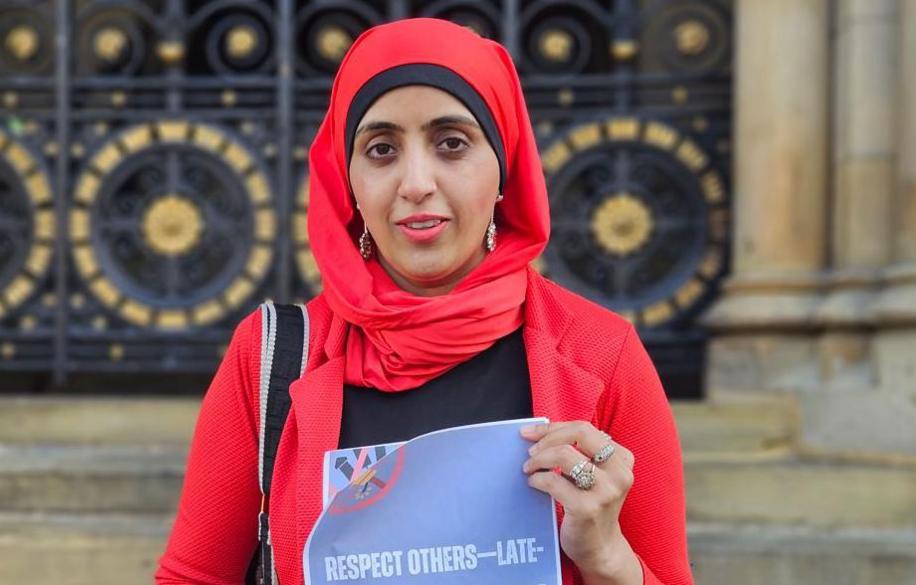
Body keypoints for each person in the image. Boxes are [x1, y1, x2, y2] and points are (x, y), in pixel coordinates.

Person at [156, 18, 692, 585]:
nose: (416, 181)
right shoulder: (271, 358)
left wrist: (608, 557)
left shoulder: (600, 354)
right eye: (382, 149)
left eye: (452, 144)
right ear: (349, 181)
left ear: (503, 167)